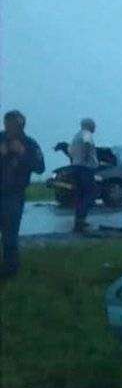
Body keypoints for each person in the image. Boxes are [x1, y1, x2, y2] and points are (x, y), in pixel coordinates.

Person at [0, 110, 44, 278]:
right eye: (7, 124)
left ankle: (10, 272)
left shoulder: (30, 144)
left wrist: (23, 153)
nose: (9, 128)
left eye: (13, 125)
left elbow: (40, 167)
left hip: (14, 194)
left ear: (21, 126)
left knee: (10, 236)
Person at [68, 118, 98, 233]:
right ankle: (81, 219)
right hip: (85, 168)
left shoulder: (76, 136)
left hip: (76, 166)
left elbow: (70, 151)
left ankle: (78, 221)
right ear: (89, 125)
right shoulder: (87, 134)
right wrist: (86, 158)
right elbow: (87, 144)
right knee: (90, 194)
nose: (95, 127)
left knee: (80, 195)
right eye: (94, 125)